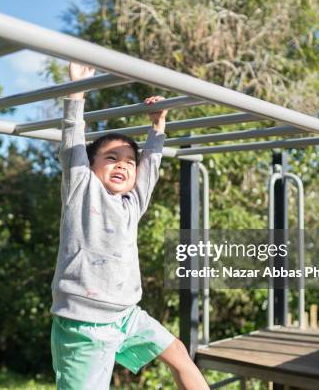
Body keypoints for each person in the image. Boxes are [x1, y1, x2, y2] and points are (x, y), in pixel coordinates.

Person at [50, 62, 209, 390]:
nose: (122, 164)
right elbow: (72, 143)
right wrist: (77, 92)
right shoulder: (81, 188)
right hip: (84, 322)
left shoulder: (131, 205)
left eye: (128, 161)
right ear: (90, 166)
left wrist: (158, 127)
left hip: (126, 314)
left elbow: (150, 166)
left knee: (178, 353)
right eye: (111, 158)